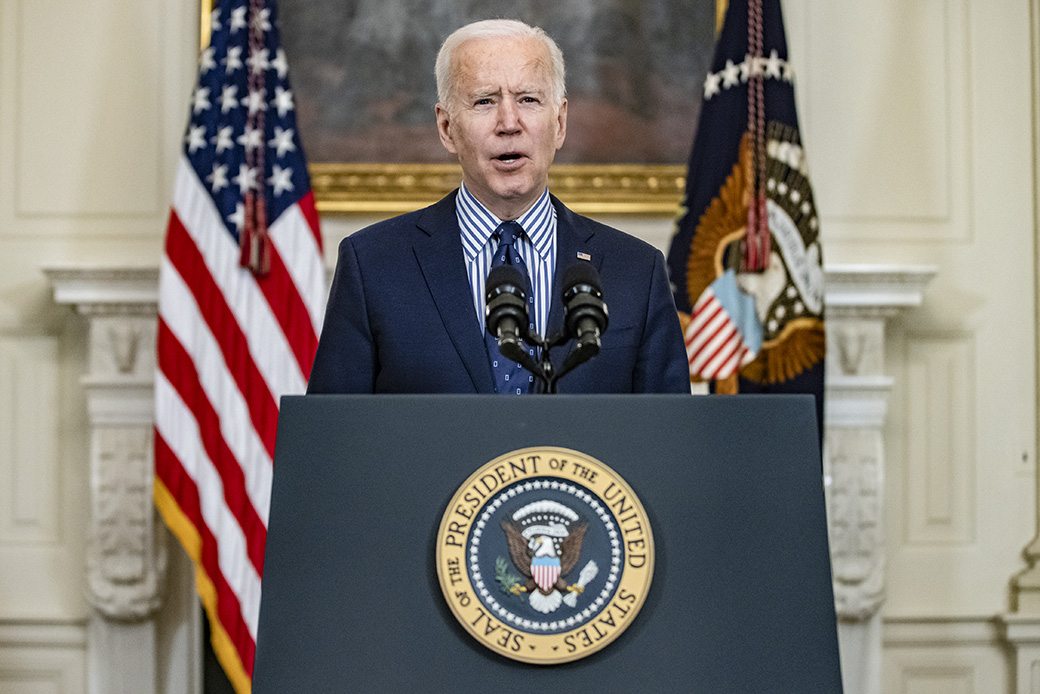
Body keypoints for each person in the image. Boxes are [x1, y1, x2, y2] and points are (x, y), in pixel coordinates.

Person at [306, 18, 689, 394]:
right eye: (484, 101)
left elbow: (669, 444)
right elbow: (333, 442)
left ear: (559, 123)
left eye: (528, 100)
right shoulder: (372, 266)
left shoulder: (637, 271)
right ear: (446, 128)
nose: (509, 122)